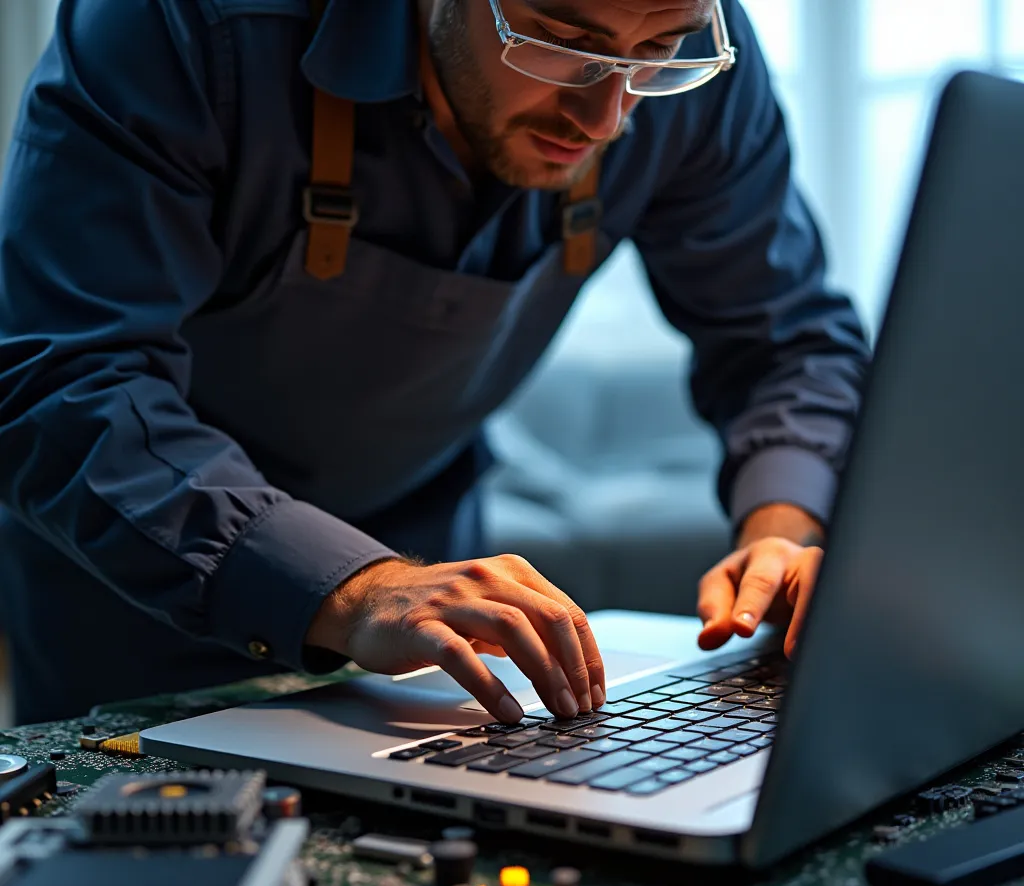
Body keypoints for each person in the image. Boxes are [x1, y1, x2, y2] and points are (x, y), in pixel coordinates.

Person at [0, 0, 869, 725]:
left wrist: (783, 532)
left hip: (433, 571)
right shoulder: (183, 26)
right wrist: (352, 589)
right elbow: (67, 379)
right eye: (566, 43)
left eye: (658, 53)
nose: (607, 118)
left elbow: (784, 337)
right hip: (139, 586)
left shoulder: (683, 48)